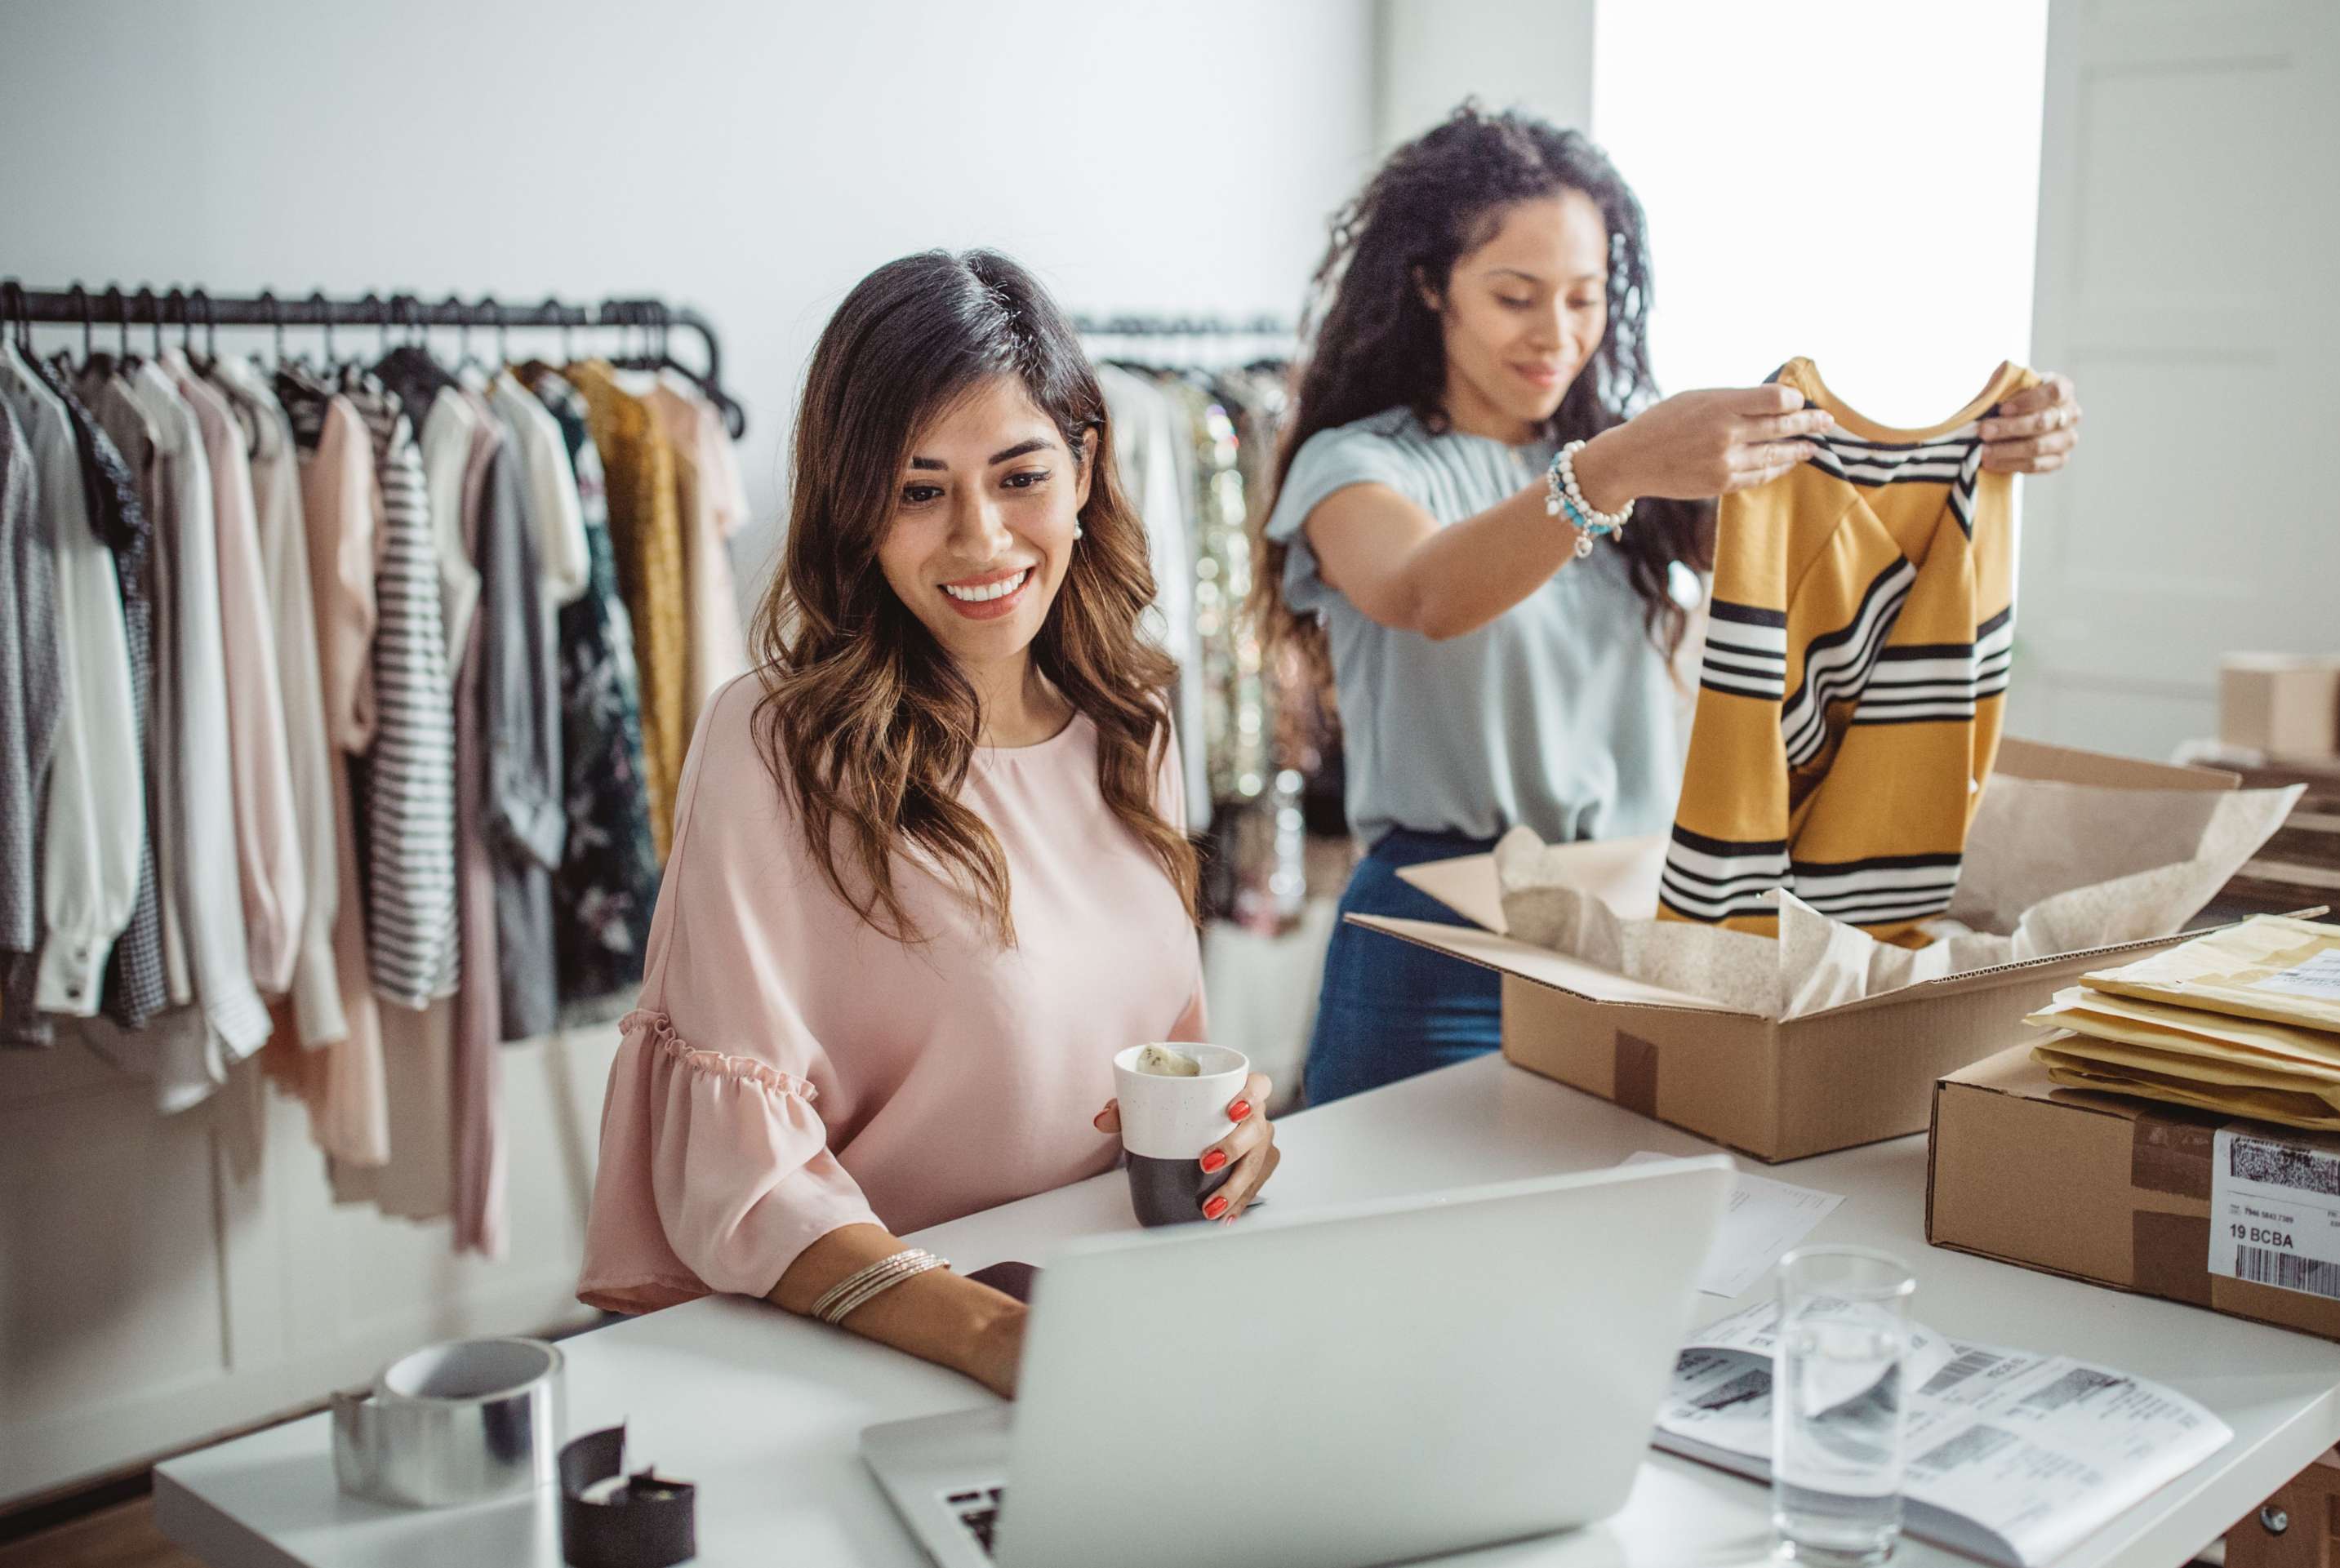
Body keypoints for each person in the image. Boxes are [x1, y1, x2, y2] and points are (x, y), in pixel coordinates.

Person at [1261, 105, 2083, 1107]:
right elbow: (1425, 592)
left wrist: (1989, 443)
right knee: (1393, 1201)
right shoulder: (1358, 464)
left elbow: (1840, 542)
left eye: (1584, 298)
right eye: (1515, 296)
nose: (1556, 335)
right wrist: (1612, 471)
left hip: (1631, 924)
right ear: (1430, 285)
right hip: (1438, 939)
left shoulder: (1636, 466)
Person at [580, 251, 1280, 1397]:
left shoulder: (1133, 721)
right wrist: (995, 1337)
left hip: (1115, 1307)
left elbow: (1153, 1061)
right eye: (919, 491)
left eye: (1020, 477)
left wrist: (1228, 1134)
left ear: (1084, 468)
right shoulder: (774, 747)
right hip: (875, 1352)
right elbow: (745, 1181)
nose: (980, 540)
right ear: (855, 509)